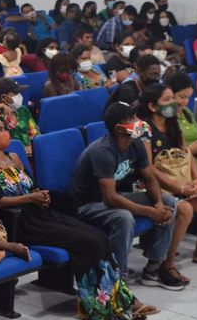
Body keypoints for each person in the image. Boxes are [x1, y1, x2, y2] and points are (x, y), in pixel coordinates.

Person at [0, 119, 154, 320]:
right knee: (88, 242)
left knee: (99, 236)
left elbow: (32, 187)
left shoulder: (14, 157)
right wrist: (30, 198)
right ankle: (100, 307)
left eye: (5, 128)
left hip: (42, 213)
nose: (5, 132)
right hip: (21, 222)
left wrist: (40, 195)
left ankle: (122, 298)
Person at [71, 102, 182, 289]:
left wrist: (158, 204)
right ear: (119, 128)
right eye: (131, 119)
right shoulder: (103, 151)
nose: (138, 122)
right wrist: (150, 212)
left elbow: (150, 177)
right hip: (87, 204)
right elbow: (110, 198)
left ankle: (153, 267)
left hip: (114, 196)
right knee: (124, 217)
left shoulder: (135, 143)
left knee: (169, 201)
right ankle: (117, 278)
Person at [138, 84, 197, 283]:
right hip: (151, 185)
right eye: (167, 100)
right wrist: (178, 188)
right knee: (185, 209)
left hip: (178, 180)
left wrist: (196, 179)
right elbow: (148, 168)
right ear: (152, 106)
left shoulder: (172, 122)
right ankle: (166, 263)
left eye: (172, 98)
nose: (173, 103)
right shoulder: (144, 129)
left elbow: (186, 153)